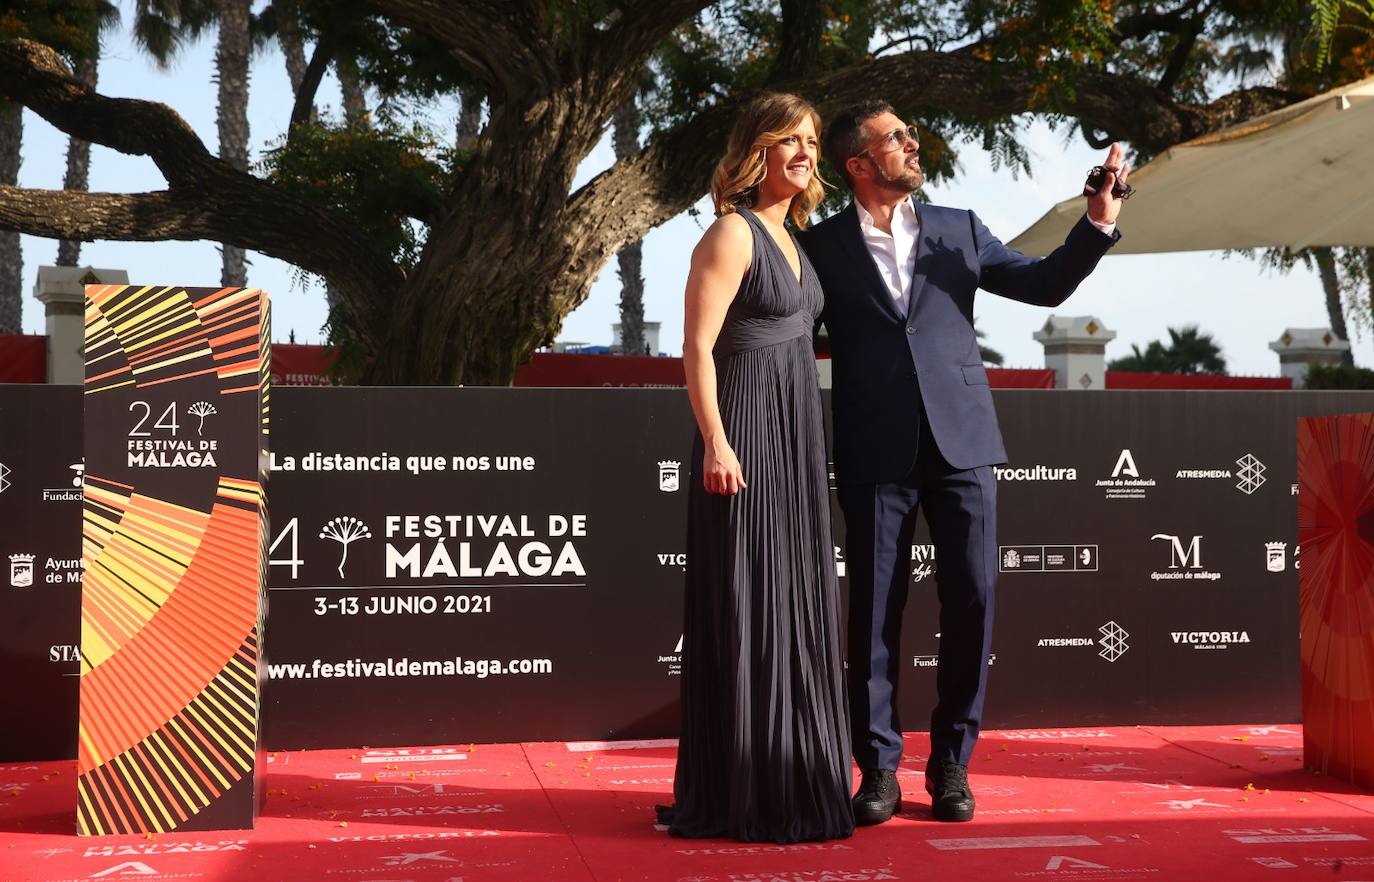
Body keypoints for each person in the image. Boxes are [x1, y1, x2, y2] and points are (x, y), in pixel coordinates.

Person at [800, 100, 1130, 825]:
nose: (914, 142)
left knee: (973, 599)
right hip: (873, 446)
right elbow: (786, 326)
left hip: (965, 444)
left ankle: (951, 765)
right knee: (874, 615)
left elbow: (1043, 283)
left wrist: (1097, 219)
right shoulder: (818, 247)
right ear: (859, 164)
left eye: (912, 134)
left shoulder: (960, 228)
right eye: (896, 138)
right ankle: (878, 770)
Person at [658, 92, 854, 843]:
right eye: (789, 141)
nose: (804, 153)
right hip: (744, 434)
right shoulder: (732, 234)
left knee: (796, 602)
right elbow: (697, 348)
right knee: (750, 603)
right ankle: (744, 786)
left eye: (810, 141)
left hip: (798, 432)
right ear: (756, 152)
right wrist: (716, 440)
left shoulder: (798, 241)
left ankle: (794, 779)